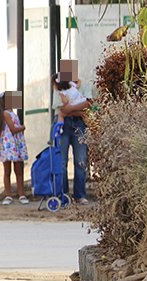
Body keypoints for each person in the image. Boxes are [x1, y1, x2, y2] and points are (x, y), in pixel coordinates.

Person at [54, 72, 91, 205]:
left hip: (79, 124)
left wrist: (70, 108)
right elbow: (61, 109)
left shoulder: (84, 85)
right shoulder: (58, 84)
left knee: (81, 160)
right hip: (64, 124)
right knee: (61, 161)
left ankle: (80, 195)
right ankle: (63, 195)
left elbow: (88, 104)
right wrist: (79, 111)